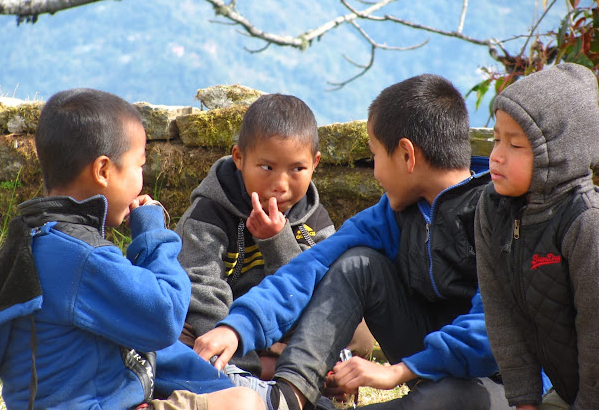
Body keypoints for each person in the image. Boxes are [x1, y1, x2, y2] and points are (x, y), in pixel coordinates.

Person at [194, 74, 512, 410]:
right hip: (425, 362)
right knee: (357, 264)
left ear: (406, 155)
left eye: (375, 155)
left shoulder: (496, 217)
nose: (374, 171)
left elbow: (492, 326)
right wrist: (238, 327)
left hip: (496, 379)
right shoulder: (390, 215)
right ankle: (289, 396)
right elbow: (311, 266)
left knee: (447, 399)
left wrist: (399, 372)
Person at [0, 88, 264, 410]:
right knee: (244, 403)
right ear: (103, 170)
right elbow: (165, 316)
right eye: (138, 165)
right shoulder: (82, 257)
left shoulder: (36, 233)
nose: (141, 180)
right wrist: (152, 234)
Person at [175, 93, 373, 381]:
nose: (280, 185)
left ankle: (296, 370)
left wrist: (276, 242)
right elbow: (201, 291)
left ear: (315, 164)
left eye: (297, 169)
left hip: (279, 325)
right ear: (239, 158)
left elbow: (313, 291)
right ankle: (286, 373)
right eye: (267, 167)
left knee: (360, 332)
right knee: (172, 327)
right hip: (219, 326)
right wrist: (241, 362)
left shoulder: (313, 219)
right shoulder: (208, 213)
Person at [475, 63, 599, 410]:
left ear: (557, 155)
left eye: (515, 145)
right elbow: (499, 310)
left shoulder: (586, 223)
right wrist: (524, 399)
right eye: (497, 138)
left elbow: (596, 334)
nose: (496, 155)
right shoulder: (493, 207)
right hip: (568, 389)